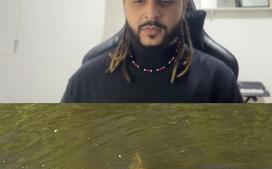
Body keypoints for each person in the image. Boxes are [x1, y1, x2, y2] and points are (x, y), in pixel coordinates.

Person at [61, 0, 243, 103]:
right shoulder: (86, 82)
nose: (151, 13)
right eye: (139, 1)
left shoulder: (218, 80)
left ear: (184, 4)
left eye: (164, 1)